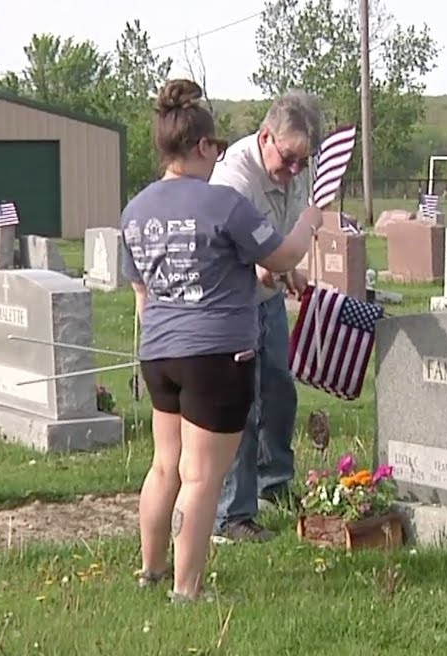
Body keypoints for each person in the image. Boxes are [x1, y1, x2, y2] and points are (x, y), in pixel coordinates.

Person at [120, 79, 322, 600]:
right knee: (201, 476)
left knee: (163, 466)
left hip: (159, 353)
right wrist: (308, 223)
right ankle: (186, 589)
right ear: (205, 146)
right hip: (215, 353)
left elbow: (140, 290)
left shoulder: (135, 210)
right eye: (217, 147)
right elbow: (281, 256)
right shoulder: (224, 203)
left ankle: (150, 571)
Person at [208, 91, 325, 543]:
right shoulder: (234, 179)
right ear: (265, 137)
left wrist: (286, 270)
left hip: (267, 297)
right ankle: (232, 514)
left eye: (303, 161)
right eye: (289, 158)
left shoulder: (298, 169)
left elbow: (277, 241)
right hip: (231, 301)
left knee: (278, 388)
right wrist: (275, 264)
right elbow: (247, 255)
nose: (295, 170)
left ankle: (273, 482)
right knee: (242, 402)